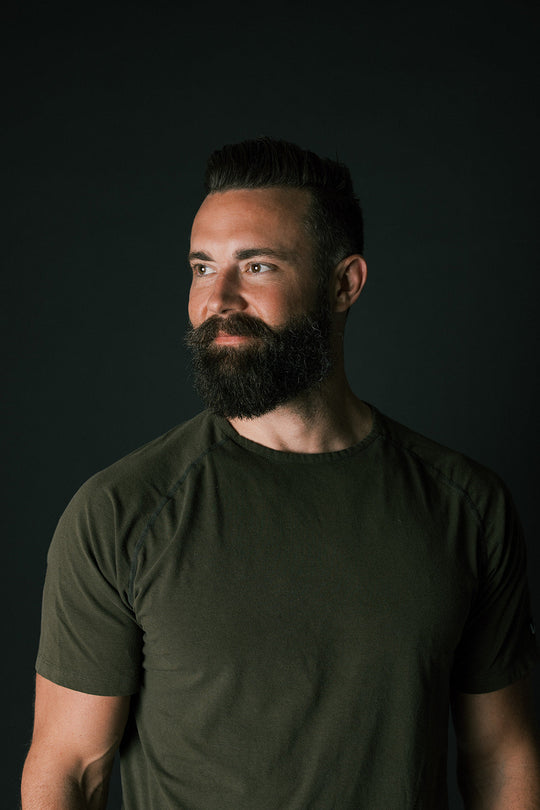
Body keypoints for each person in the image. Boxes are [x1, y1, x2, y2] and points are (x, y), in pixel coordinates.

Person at [22, 137, 540, 809]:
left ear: (344, 283)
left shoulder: (466, 506)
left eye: (257, 265)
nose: (219, 298)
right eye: (202, 267)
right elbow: (69, 768)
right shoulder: (121, 511)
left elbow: (501, 754)